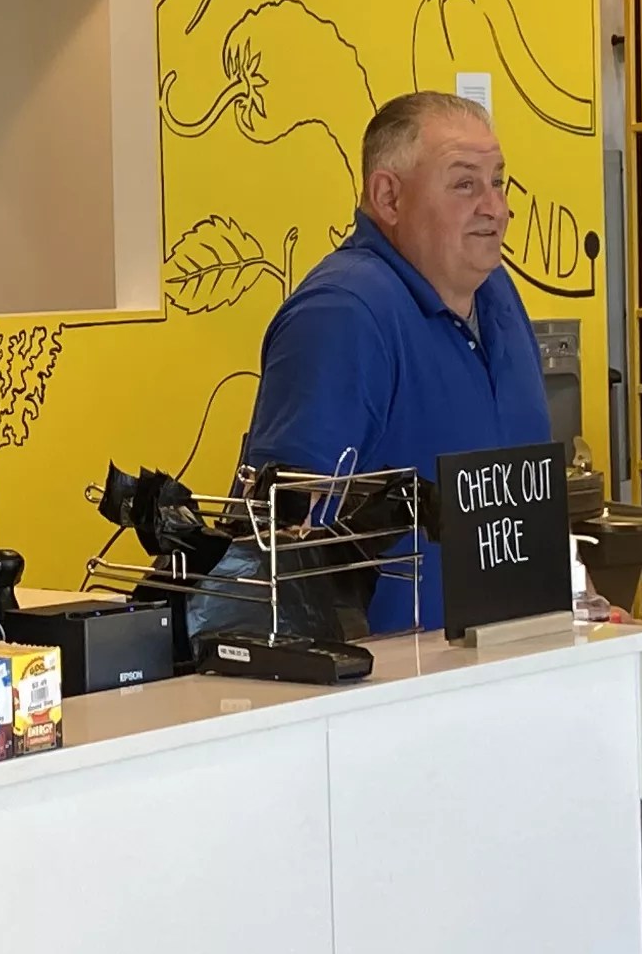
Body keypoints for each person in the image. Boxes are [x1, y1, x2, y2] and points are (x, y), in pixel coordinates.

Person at [234, 90, 551, 634]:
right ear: (388, 197)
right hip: (395, 676)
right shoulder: (342, 315)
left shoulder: (497, 293)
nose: (495, 208)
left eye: (497, 181)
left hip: (517, 661)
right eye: (465, 184)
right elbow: (279, 548)